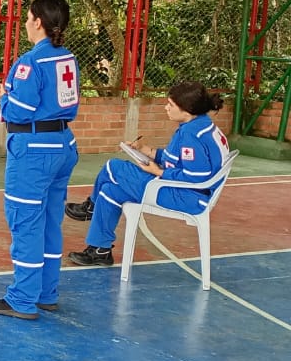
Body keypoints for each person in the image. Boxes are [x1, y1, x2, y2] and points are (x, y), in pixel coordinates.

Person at [0, 0, 80, 321]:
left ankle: (22, 299)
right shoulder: (67, 58)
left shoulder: (30, 63)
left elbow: (20, 111)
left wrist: (3, 100)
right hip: (63, 144)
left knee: (25, 221)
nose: (25, 23)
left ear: (38, 21)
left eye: (27, 18)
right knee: (51, 220)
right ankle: (46, 293)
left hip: (34, 150)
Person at [64, 81, 227, 267]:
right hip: (184, 192)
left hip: (185, 196)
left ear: (186, 110)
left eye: (171, 105)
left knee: (113, 167)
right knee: (109, 191)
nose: (166, 108)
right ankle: (100, 250)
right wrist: (148, 151)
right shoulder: (201, 125)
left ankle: (90, 207)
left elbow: (197, 176)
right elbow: (180, 160)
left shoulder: (191, 135)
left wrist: (158, 171)